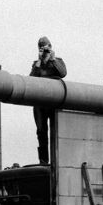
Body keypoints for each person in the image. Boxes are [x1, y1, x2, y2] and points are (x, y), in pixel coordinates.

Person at [30, 36, 67, 164]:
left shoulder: (58, 61)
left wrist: (52, 59)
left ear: (51, 47)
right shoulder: (36, 64)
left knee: (56, 131)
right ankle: (43, 160)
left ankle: (58, 161)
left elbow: (63, 73)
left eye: (47, 48)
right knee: (41, 132)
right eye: (42, 49)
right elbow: (31, 81)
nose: (45, 51)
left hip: (54, 103)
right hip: (40, 104)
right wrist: (39, 62)